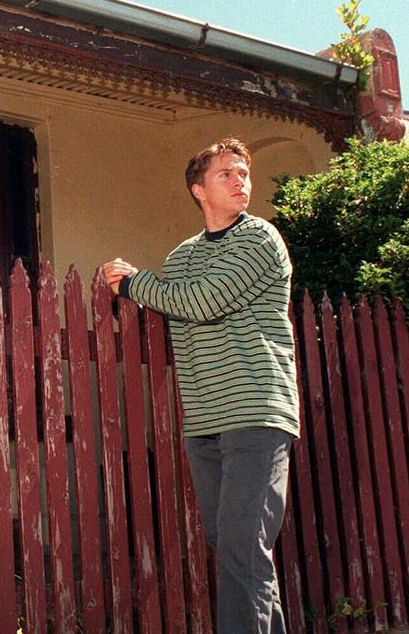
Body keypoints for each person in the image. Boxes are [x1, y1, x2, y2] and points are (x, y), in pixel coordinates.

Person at [101, 137, 299, 634]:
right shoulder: (182, 255)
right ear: (199, 190)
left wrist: (132, 283)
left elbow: (203, 302)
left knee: (240, 544)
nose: (239, 181)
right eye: (226, 174)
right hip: (205, 419)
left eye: (243, 173)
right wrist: (150, 291)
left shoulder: (260, 239)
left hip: (257, 410)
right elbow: (179, 305)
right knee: (232, 544)